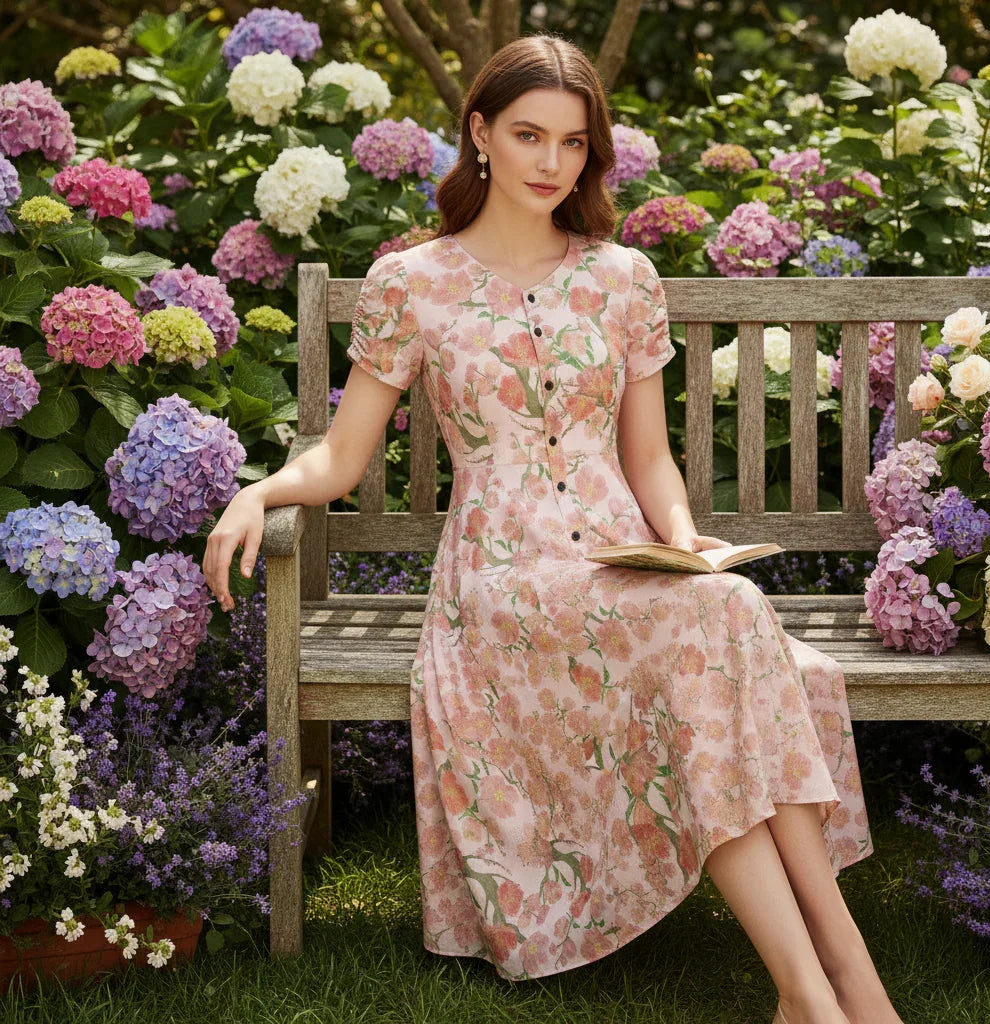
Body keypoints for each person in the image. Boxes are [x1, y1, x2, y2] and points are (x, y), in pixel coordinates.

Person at [203, 32, 905, 1024]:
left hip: (623, 558)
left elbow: (650, 458)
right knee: (732, 634)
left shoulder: (621, 277)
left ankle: (825, 989)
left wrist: (682, 539)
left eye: (573, 143)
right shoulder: (413, 283)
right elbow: (342, 459)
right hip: (502, 580)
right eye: (528, 135)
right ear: (479, 133)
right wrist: (258, 492)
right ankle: (832, 988)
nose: (549, 162)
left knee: (728, 618)